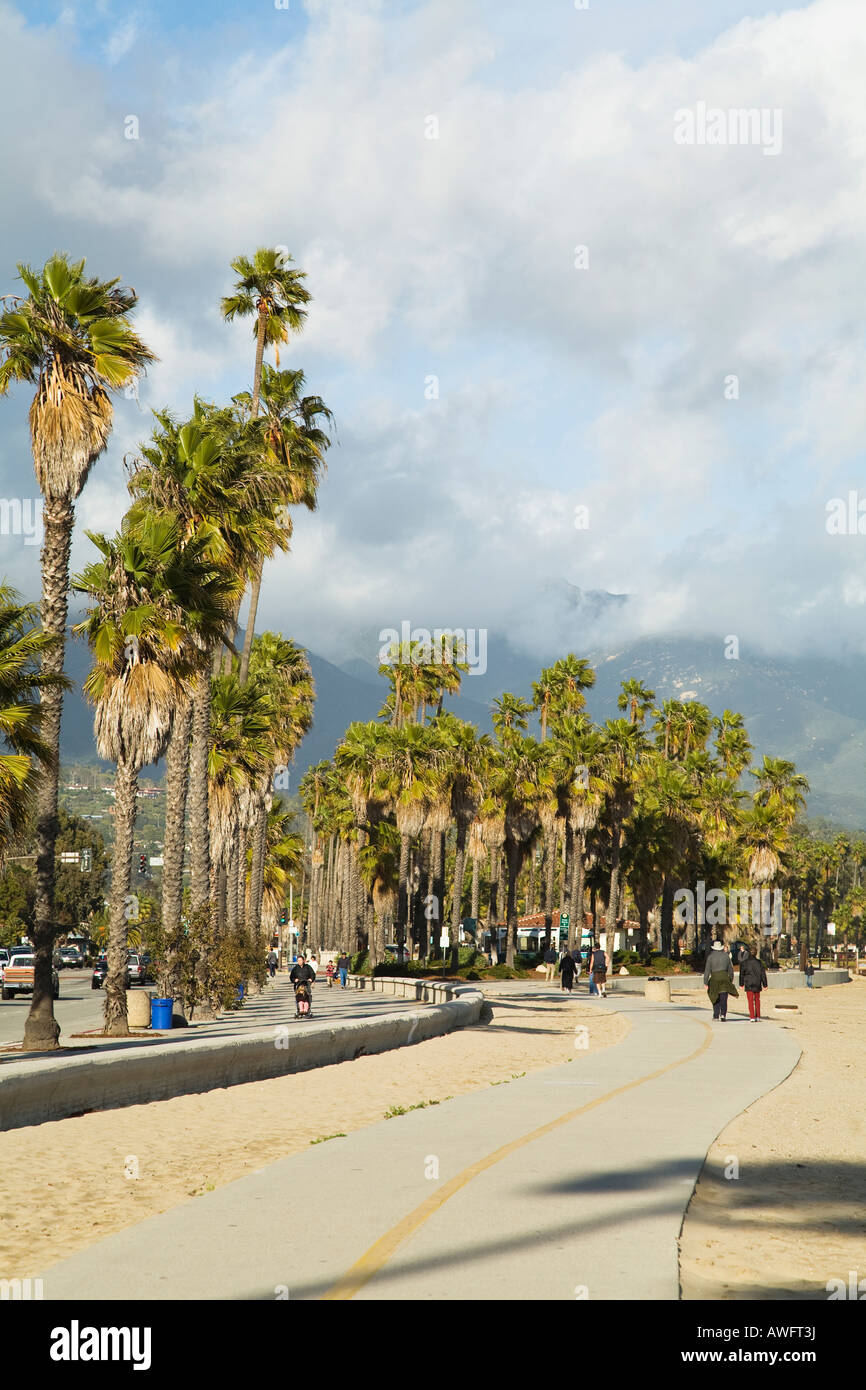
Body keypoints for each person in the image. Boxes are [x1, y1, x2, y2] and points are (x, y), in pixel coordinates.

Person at [704, 938, 737, 1021]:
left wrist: (705, 982)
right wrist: (731, 979)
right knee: (724, 998)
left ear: (713, 948)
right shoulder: (726, 956)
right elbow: (731, 970)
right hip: (724, 978)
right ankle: (723, 1015)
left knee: (715, 997)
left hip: (714, 978)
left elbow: (707, 971)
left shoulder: (710, 957)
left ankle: (715, 1015)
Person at [739, 944, 768, 1021]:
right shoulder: (759, 962)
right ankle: (758, 1016)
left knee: (750, 1001)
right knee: (757, 1000)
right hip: (757, 983)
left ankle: (752, 1016)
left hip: (748, 983)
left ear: (748, 953)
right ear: (756, 953)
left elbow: (741, 974)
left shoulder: (744, 963)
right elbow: (763, 974)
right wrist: (765, 984)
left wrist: (741, 984)